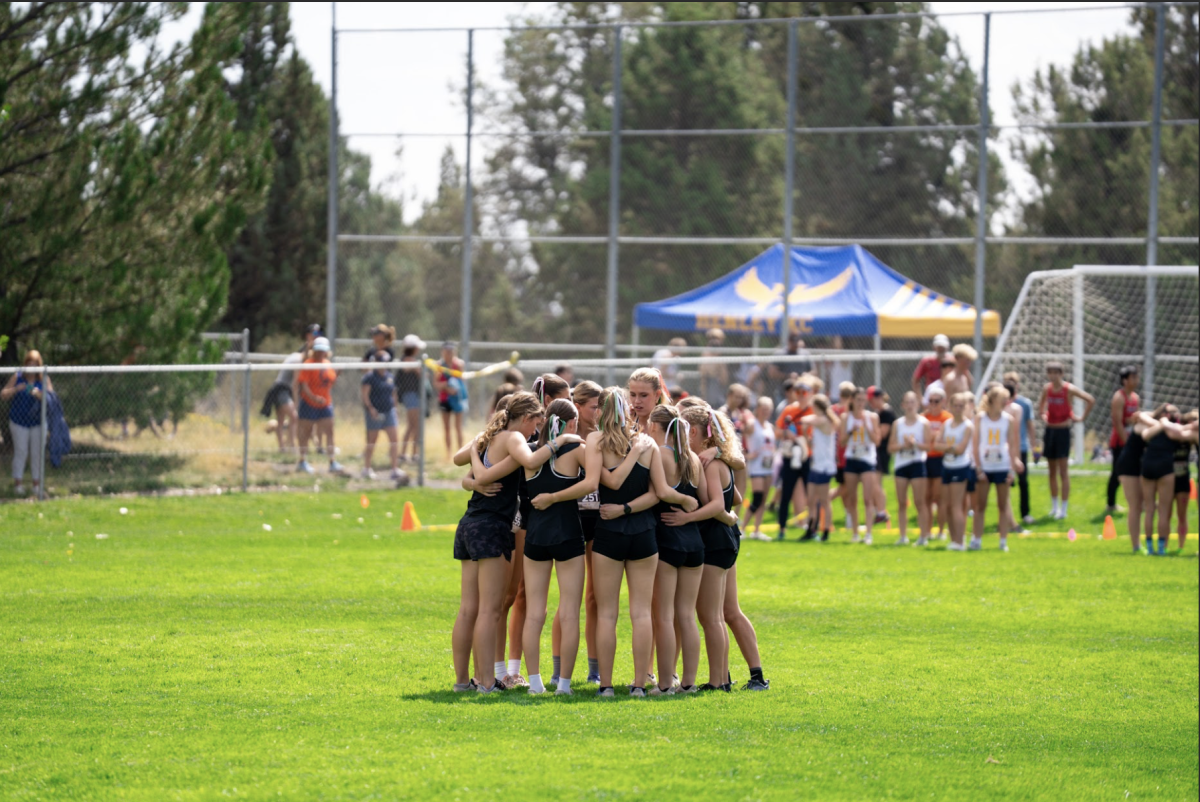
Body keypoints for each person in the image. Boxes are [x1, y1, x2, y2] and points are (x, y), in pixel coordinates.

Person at [587, 388, 696, 698]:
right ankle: (638, 684)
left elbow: (610, 482)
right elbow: (658, 492)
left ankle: (606, 685)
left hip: (609, 530)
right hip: (644, 532)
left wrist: (620, 508)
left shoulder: (596, 441)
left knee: (608, 613)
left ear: (602, 412)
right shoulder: (646, 443)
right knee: (641, 613)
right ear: (627, 412)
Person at [450, 392, 557, 693]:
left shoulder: (490, 436)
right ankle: (486, 682)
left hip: (468, 525)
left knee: (468, 609)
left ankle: (462, 681)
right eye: (536, 422)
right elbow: (532, 459)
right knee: (490, 610)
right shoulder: (512, 438)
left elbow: (458, 458)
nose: (536, 430)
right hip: (492, 528)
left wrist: (475, 455)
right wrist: (558, 442)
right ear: (525, 417)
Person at [662, 406, 753, 691]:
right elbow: (734, 497)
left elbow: (717, 503)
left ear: (698, 434)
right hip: (721, 537)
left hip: (714, 541)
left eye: (687, 431)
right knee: (712, 616)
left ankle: (717, 681)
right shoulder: (714, 460)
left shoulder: (710, 463)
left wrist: (688, 516)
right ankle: (721, 678)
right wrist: (724, 510)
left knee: (710, 616)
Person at [522, 398, 591, 695]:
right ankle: (564, 684)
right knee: (569, 613)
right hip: (567, 536)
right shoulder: (577, 449)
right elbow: (593, 484)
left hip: (535, 537)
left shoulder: (531, 453)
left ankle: (535, 683)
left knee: (534, 613)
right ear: (573, 423)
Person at [645, 404, 705, 694]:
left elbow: (658, 492)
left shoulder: (661, 454)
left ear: (656, 427)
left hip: (667, 539)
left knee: (664, 616)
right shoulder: (692, 457)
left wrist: (680, 501)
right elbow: (704, 499)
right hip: (694, 542)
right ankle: (690, 682)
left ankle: (666, 683)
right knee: (686, 615)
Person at [548, 381, 604, 685]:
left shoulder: (601, 437)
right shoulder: (562, 437)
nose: (597, 412)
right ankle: (558, 670)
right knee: (568, 600)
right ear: (578, 407)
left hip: (598, 520)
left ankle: (594, 669)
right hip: (570, 518)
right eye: (593, 407)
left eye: (600, 407)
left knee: (595, 597)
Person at [1036, 361, 1096, 520]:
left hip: (1063, 431)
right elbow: (1040, 408)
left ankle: (1064, 509)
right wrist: (1044, 417)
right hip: (1050, 431)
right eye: (1051, 372)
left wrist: (1080, 418)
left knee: (1063, 471)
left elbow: (1090, 399)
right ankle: (1054, 507)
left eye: (1056, 372)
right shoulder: (1046, 389)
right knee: (1051, 472)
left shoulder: (1068, 389)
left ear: (1061, 374)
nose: (1053, 375)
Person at [972, 385, 1023, 552]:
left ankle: (1003, 541)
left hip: (1002, 466)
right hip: (985, 466)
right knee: (980, 505)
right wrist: (978, 467)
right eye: (1002, 398)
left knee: (1003, 505)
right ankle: (976, 540)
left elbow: (1012, 445)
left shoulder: (1008, 419)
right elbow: (976, 444)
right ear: (993, 399)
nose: (1005, 401)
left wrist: (1012, 469)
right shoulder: (981, 418)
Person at [2, 349, 52, 497]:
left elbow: (51, 399)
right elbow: (3, 394)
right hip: (18, 422)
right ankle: (18, 485)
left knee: (37, 453)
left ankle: (37, 485)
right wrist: (17, 389)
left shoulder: (44, 379)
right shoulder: (18, 377)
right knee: (21, 451)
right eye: (29, 364)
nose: (31, 367)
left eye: (35, 364)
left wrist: (38, 393)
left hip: (38, 423)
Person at [838, 387, 882, 544]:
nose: (861, 403)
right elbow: (842, 441)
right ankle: (855, 533)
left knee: (868, 499)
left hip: (867, 460)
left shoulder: (872, 417)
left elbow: (877, 441)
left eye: (863, 400)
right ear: (852, 400)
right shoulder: (845, 417)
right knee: (851, 498)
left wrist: (867, 426)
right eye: (858, 400)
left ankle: (868, 533)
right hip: (852, 458)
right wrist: (851, 431)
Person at [1139, 405, 1185, 556]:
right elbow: (1178, 433)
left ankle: (1150, 548)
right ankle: (1160, 549)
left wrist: (1161, 422)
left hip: (1148, 465)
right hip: (1165, 467)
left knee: (1150, 510)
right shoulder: (1171, 428)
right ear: (1166, 414)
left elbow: (1145, 434)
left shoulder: (1153, 426)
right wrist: (1164, 422)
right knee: (1163, 511)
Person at [294, 337, 342, 474]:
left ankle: (332, 461)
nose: (320, 353)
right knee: (306, 432)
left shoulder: (327, 364)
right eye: (318, 350)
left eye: (323, 351)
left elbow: (329, 383)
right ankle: (302, 461)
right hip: (309, 404)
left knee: (330, 431)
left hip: (325, 404)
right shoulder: (308, 364)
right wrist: (314, 398)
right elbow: (304, 386)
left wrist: (337, 375)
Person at [888, 391, 931, 545]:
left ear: (918, 405)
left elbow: (928, 446)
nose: (910, 405)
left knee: (920, 502)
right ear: (903, 405)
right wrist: (903, 445)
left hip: (917, 463)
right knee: (901, 502)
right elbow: (890, 447)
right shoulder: (898, 424)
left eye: (913, 402)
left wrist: (915, 444)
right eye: (907, 402)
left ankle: (923, 536)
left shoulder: (923, 423)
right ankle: (902, 535)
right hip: (901, 464)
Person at [774, 378, 814, 540]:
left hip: (807, 456)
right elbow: (778, 430)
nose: (800, 395)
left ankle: (813, 529)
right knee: (785, 494)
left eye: (803, 392)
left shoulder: (813, 411)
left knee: (811, 495)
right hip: (790, 455)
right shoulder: (788, 410)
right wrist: (787, 434)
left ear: (810, 394)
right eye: (797, 392)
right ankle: (782, 529)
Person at [935, 392, 975, 551]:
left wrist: (947, 447)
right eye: (955, 405)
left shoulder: (967, 426)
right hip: (947, 466)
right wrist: (950, 447)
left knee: (957, 506)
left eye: (961, 406)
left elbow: (961, 449)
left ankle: (960, 541)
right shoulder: (946, 424)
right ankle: (954, 540)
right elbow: (936, 444)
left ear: (966, 407)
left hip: (961, 467)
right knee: (948, 505)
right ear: (950, 406)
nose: (958, 409)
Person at [799, 395, 840, 542]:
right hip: (816, 465)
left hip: (824, 466)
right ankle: (811, 529)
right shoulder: (817, 423)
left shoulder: (825, 420)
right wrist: (804, 433)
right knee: (810, 500)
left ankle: (826, 531)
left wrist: (802, 420)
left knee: (824, 500)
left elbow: (806, 420)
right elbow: (811, 445)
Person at [1115, 410, 1153, 552]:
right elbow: (1143, 417)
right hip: (1128, 466)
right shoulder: (1141, 426)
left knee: (1142, 506)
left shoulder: (1151, 424)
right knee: (1135, 506)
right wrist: (1160, 421)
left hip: (1138, 466)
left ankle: (1139, 542)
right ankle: (1136, 545)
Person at [360, 350, 401, 480]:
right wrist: (371, 409)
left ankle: (394, 469)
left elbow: (393, 394)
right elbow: (365, 395)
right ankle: (367, 468)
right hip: (374, 413)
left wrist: (395, 409)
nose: (384, 365)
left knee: (394, 440)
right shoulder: (369, 377)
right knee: (372, 441)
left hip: (389, 411)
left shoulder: (390, 376)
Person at [1003, 372, 1037, 527]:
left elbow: (1030, 425)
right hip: (1004, 449)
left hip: (1021, 448)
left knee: (1023, 482)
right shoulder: (999, 405)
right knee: (1005, 484)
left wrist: (1034, 446)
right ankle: (1006, 518)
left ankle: (1026, 513)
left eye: (1013, 382)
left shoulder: (1024, 404)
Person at [1106, 366, 1140, 514]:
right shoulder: (1119, 397)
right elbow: (1118, 423)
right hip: (1120, 442)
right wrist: (1126, 443)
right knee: (1117, 473)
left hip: (1132, 441)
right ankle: (1110, 504)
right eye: (1133, 377)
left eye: (1136, 377)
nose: (1136, 380)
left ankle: (1138, 501)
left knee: (1135, 472)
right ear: (1124, 380)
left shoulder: (1135, 397)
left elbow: (1133, 419)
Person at [742, 396, 777, 541]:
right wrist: (747, 455)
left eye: (768, 409)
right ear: (758, 410)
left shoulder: (770, 426)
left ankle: (757, 529)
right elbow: (738, 439)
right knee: (757, 498)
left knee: (763, 499)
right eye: (763, 409)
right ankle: (743, 528)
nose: (766, 412)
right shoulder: (752, 425)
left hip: (767, 465)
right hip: (756, 466)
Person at [923, 388, 952, 538]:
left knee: (939, 497)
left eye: (936, 401)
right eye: (931, 401)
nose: (933, 404)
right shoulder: (922, 418)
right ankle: (927, 531)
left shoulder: (948, 418)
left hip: (940, 459)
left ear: (943, 402)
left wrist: (935, 437)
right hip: (925, 458)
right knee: (926, 497)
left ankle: (941, 530)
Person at [867, 386, 895, 525]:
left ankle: (881, 511)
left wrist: (868, 428)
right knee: (874, 483)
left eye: (872, 400)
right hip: (877, 451)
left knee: (876, 483)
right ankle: (877, 511)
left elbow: (882, 434)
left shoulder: (886, 413)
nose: (870, 403)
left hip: (882, 451)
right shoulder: (878, 412)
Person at [435, 341, 467, 457]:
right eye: (447, 351)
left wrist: (455, 388)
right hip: (445, 399)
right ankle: (448, 454)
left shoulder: (458, 365)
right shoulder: (439, 365)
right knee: (447, 428)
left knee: (458, 427)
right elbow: (436, 384)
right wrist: (446, 387)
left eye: (451, 351)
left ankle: (461, 453)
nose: (449, 353)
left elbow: (462, 382)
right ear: (442, 352)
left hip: (457, 399)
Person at [1172, 410, 1198, 550]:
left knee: (1182, 516)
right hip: (1168, 480)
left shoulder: (1192, 438)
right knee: (1167, 514)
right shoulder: (1172, 435)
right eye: (1193, 419)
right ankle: (1164, 547)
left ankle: (1180, 547)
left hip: (1183, 481)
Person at [396, 343, 424, 463]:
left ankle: (410, 453)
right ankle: (410, 453)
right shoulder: (406, 360)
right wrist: (416, 367)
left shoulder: (411, 360)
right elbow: (410, 370)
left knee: (413, 426)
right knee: (414, 425)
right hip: (411, 395)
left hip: (415, 395)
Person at [627, 367, 670, 433]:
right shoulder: (624, 425)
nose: (637, 401)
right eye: (633, 395)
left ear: (657, 395)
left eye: (643, 395)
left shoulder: (669, 426)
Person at [698, 328, 730, 406]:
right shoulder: (706, 354)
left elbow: (724, 379)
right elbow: (707, 372)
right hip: (708, 385)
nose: (716, 342)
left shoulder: (720, 356)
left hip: (718, 387)